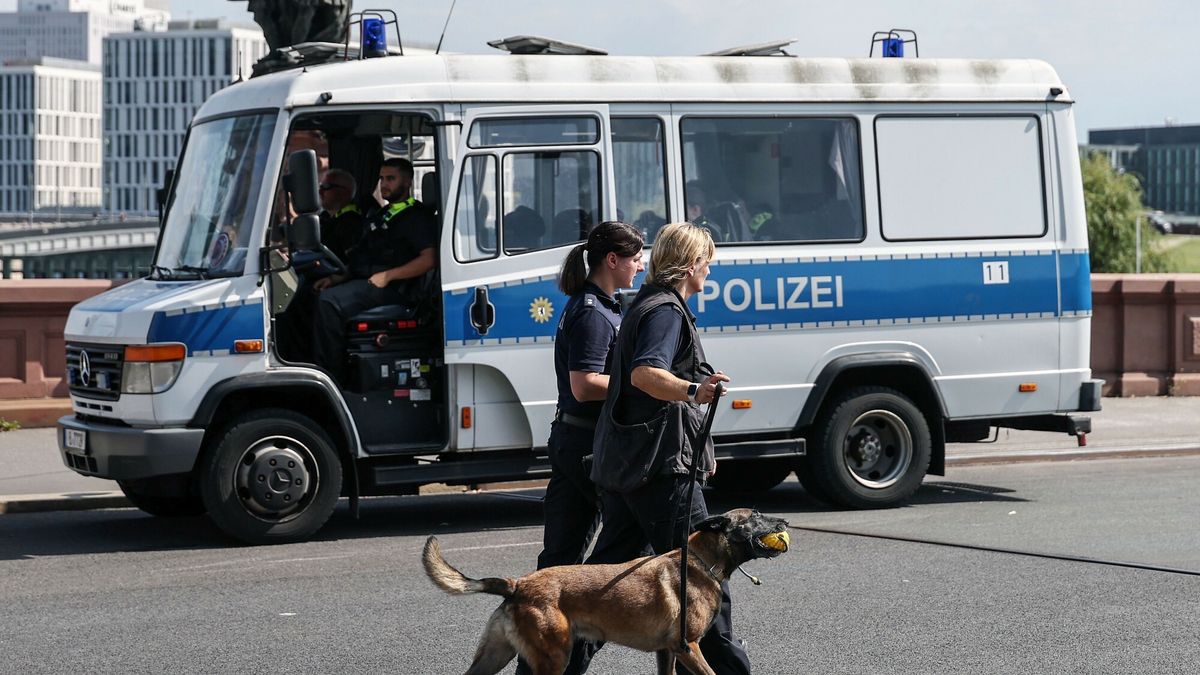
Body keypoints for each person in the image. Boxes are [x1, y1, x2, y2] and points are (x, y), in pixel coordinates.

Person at [587, 221, 750, 674]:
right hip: (658, 472)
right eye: (707, 263)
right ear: (691, 264)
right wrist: (695, 389)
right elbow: (645, 374)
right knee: (705, 581)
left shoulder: (645, 304)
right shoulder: (665, 311)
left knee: (597, 593)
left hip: (630, 467)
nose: (710, 273)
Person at [512, 221, 645, 675]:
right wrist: (640, 386)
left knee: (556, 567)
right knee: (611, 560)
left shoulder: (600, 305)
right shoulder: (592, 312)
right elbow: (585, 385)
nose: (640, 266)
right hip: (585, 445)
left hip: (574, 441)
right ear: (612, 260)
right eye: (635, 258)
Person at [310, 158, 437, 380]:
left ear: (407, 182)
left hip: (397, 289)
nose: (384, 184)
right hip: (370, 282)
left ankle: (330, 376)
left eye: (391, 178)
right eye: (381, 178)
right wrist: (337, 278)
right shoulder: (381, 213)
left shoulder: (417, 216)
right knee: (314, 294)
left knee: (329, 303)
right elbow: (364, 257)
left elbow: (429, 259)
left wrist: (388, 276)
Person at [317, 168, 364, 264]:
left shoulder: (352, 223)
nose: (320, 191)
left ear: (345, 192)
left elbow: (354, 263)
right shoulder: (324, 218)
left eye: (326, 186)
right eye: (320, 187)